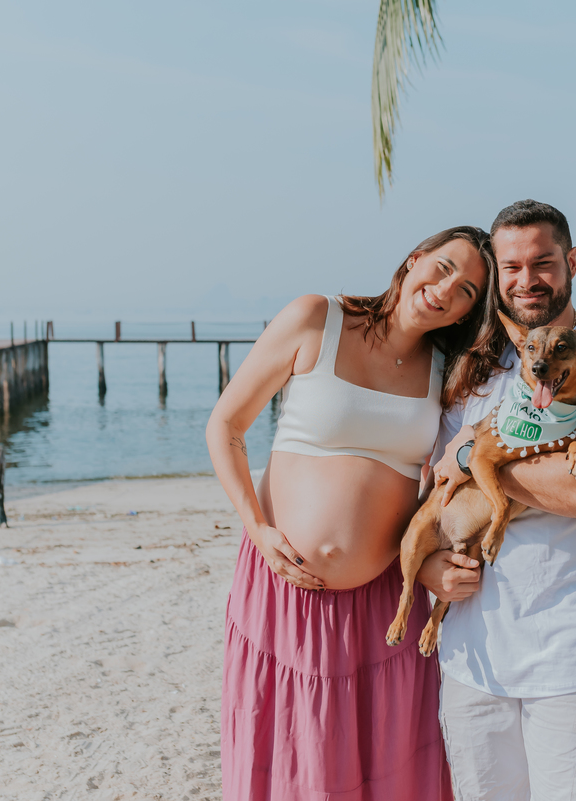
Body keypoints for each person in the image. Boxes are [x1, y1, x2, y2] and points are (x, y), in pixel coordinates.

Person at [206, 226, 501, 800]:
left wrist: (433, 560)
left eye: (466, 289)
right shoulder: (316, 318)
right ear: (413, 259)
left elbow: (441, 483)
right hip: (285, 588)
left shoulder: (449, 373)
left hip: (386, 600)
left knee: (387, 763)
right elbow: (226, 426)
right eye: (442, 268)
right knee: (293, 756)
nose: (446, 289)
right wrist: (257, 527)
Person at [422, 200, 576, 801]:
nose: (526, 279)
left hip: (573, 656)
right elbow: (431, 485)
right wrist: (429, 565)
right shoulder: (478, 367)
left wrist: (474, 458)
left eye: (543, 262)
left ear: (571, 262)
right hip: (472, 657)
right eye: (510, 267)